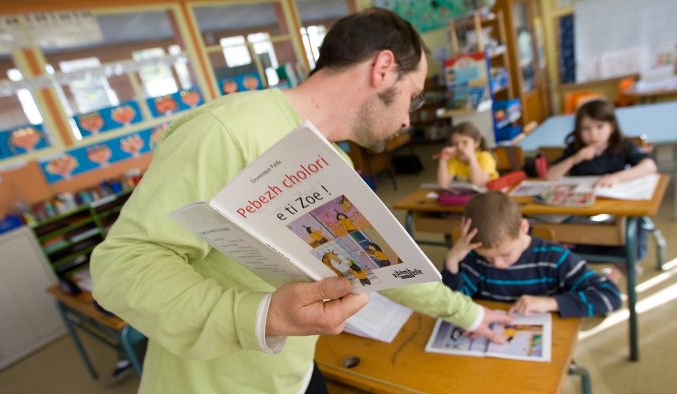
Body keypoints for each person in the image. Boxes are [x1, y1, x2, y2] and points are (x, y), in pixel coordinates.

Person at [91, 8, 510, 394]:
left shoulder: (334, 162)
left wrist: (468, 315)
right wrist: (263, 315)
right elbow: (122, 265)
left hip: (295, 375)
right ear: (383, 69)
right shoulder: (231, 129)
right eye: (413, 96)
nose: (408, 119)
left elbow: (382, 268)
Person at [442, 191, 622, 318]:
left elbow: (611, 297)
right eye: (487, 258)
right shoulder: (473, 257)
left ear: (523, 228)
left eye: (505, 254)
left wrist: (551, 303)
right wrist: (452, 261)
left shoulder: (554, 259)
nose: (497, 264)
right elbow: (451, 305)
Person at [545, 99, 658, 265]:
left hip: (616, 208)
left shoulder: (622, 145)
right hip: (584, 211)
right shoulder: (576, 148)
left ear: (611, 127)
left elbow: (650, 165)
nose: (593, 134)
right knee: (566, 238)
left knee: (633, 228)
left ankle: (623, 266)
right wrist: (575, 158)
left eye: (599, 127)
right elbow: (550, 176)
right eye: (586, 129)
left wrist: (616, 177)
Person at [436, 121, 499, 188]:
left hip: (490, 194)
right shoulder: (455, 160)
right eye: (455, 143)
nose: (459, 147)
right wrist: (443, 160)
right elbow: (443, 185)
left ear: (476, 142)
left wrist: (471, 158)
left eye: (465, 142)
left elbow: (480, 183)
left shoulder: (485, 157)